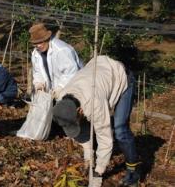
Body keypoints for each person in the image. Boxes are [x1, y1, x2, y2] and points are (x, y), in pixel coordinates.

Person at [52, 56, 140, 187]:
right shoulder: (62, 100)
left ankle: (133, 171)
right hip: (98, 71)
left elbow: (105, 138)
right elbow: (81, 131)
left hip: (121, 77)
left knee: (120, 129)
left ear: (80, 110)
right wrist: (89, 157)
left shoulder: (95, 104)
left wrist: (98, 171)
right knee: (92, 124)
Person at [29, 23, 83, 95]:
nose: (38, 46)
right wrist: (39, 83)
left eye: (40, 42)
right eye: (35, 43)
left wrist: (60, 87)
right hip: (51, 92)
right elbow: (37, 72)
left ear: (47, 39)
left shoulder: (62, 50)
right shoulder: (35, 54)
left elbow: (71, 72)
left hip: (72, 89)